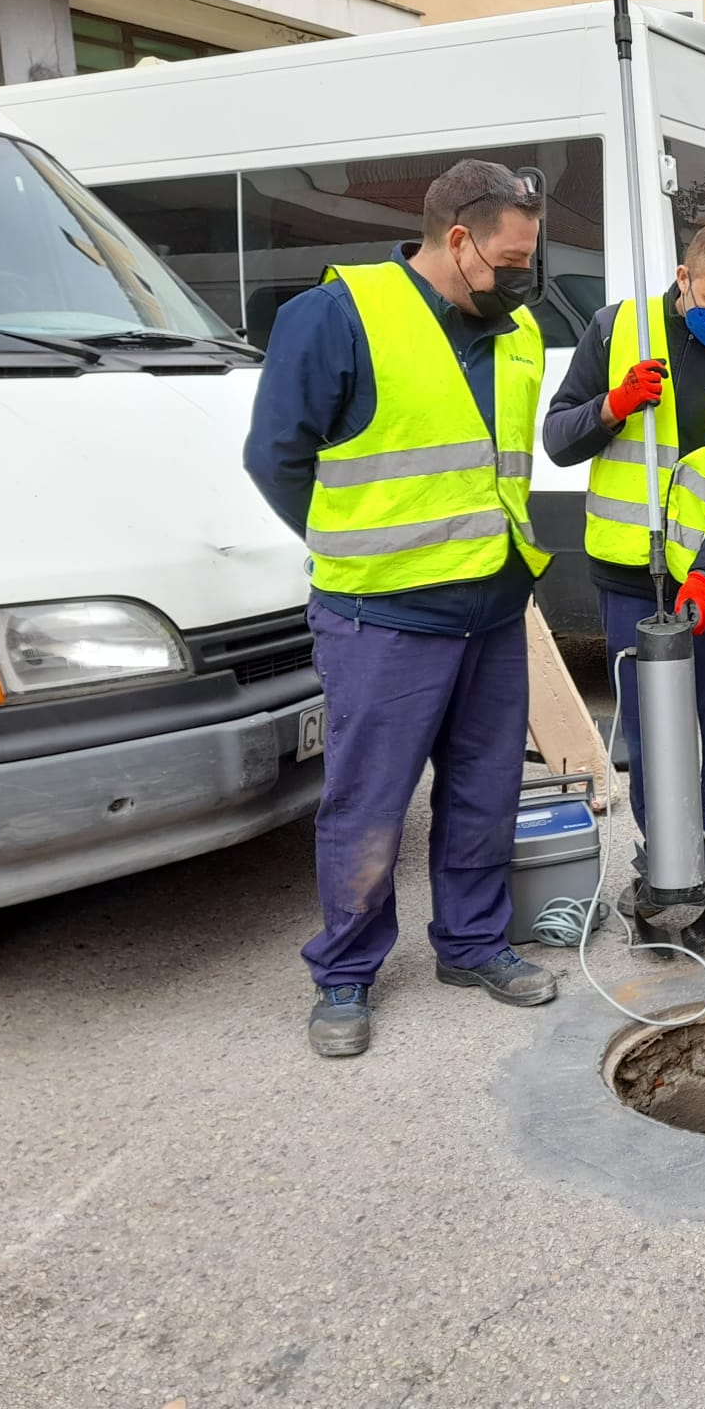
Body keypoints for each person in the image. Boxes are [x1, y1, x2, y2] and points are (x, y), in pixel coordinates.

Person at [245, 159, 561, 1059]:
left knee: (484, 788)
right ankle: (345, 970)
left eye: (528, 260)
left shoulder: (519, 331)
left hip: (492, 603)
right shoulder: (337, 316)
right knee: (370, 800)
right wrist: (353, 539)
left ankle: (471, 943)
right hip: (380, 612)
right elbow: (276, 457)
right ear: (457, 241)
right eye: (508, 259)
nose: (520, 278)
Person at [543, 221, 705, 947]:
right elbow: (559, 440)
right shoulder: (617, 329)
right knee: (654, 735)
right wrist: (612, 407)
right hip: (629, 577)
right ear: (685, 279)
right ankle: (670, 869)